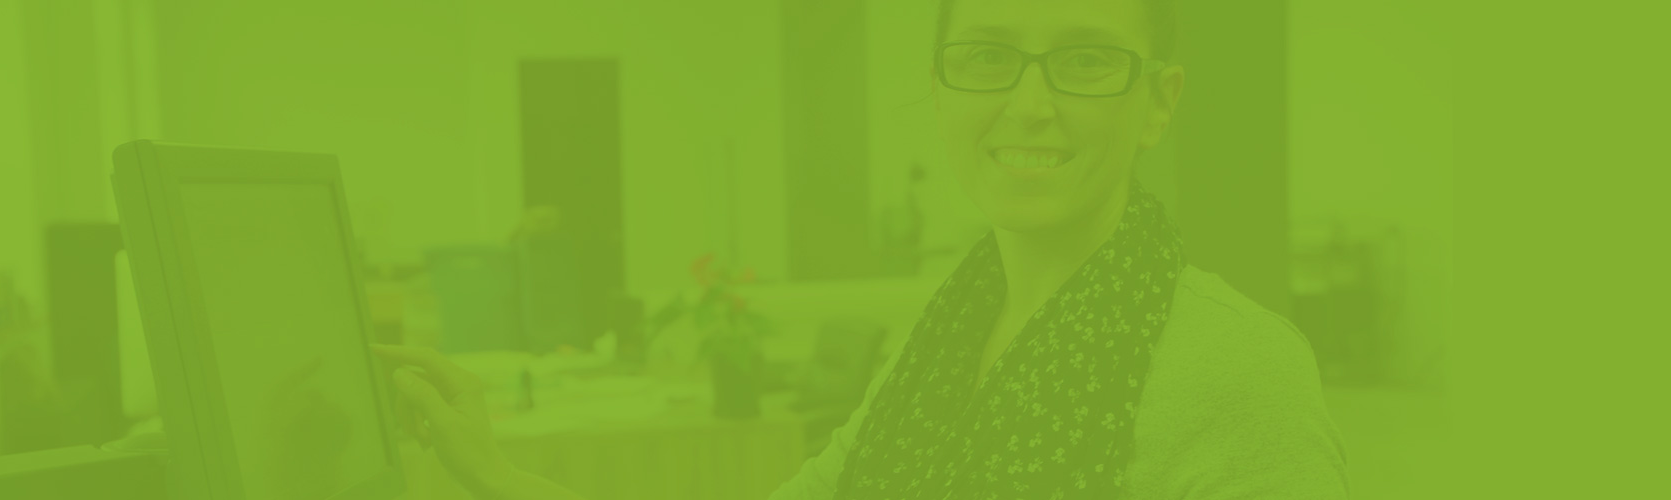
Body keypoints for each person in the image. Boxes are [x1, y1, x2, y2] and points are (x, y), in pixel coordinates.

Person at [375, 0, 1348, 498]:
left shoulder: (1240, 368)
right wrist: (496, 474)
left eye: (1086, 59)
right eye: (988, 56)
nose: (1030, 103)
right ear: (941, 90)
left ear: (1159, 102)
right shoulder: (937, 345)